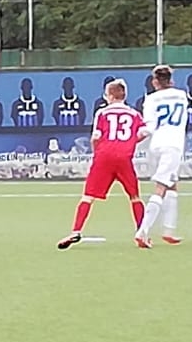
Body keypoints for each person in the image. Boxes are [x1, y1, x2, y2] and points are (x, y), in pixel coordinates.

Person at [58, 80, 148, 249]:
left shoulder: (103, 113)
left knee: (88, 196)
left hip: (104, 157)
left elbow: (96, 137)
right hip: (124, 158)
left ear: (110, 96)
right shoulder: (134, 114)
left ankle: (76, 231)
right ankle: (141, 233)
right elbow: (144, 132)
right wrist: (130, 142)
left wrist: (96, 152)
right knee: (134, 196)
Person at [135, 64, 188, 248]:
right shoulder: (182, 95)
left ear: (154, 82)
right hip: (173, 145)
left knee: (171, 184)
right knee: (161, 188)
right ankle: (143, 231)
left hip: (156, 145)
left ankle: (168, 231)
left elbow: (149, 127)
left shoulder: (150, 99)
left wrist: (133, 140)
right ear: (171, 80)